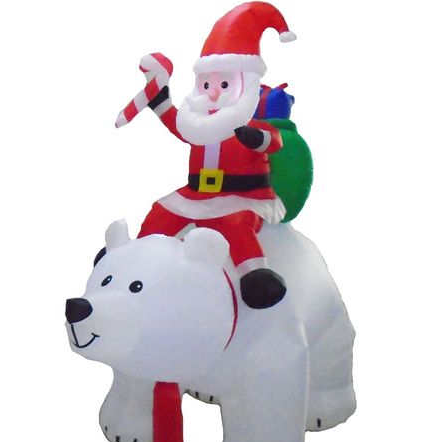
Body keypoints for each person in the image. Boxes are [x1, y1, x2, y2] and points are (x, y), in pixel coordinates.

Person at [116, 2, 296, 309]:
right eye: (206, 84)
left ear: (245, 85)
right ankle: (135, 258)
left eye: (224, 84)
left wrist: (257, 139)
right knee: (162, 211)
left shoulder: (247, 123)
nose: (213, 93)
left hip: (242, 195)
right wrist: (159, 99)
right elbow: (178, 125)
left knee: (236, 224)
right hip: (197, 193)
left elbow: (275, 141)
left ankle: (254, 275)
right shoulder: (197, 125)